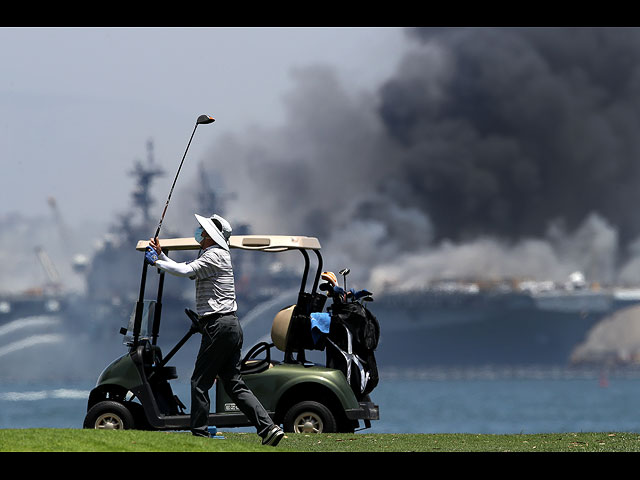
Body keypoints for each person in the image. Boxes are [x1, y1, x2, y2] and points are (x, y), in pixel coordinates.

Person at [146, 213, 284, 446]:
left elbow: (185, 271)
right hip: (230, 326)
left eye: (204, 230)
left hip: (217, 327)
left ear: (212, 236)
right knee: (233, 382)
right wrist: (160, 255)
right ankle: (268, 428)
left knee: (199, 382)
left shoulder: (214, 256)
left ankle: (199, 434)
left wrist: (156, 261)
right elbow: (184, 267)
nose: (200, 232)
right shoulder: (217, 255)